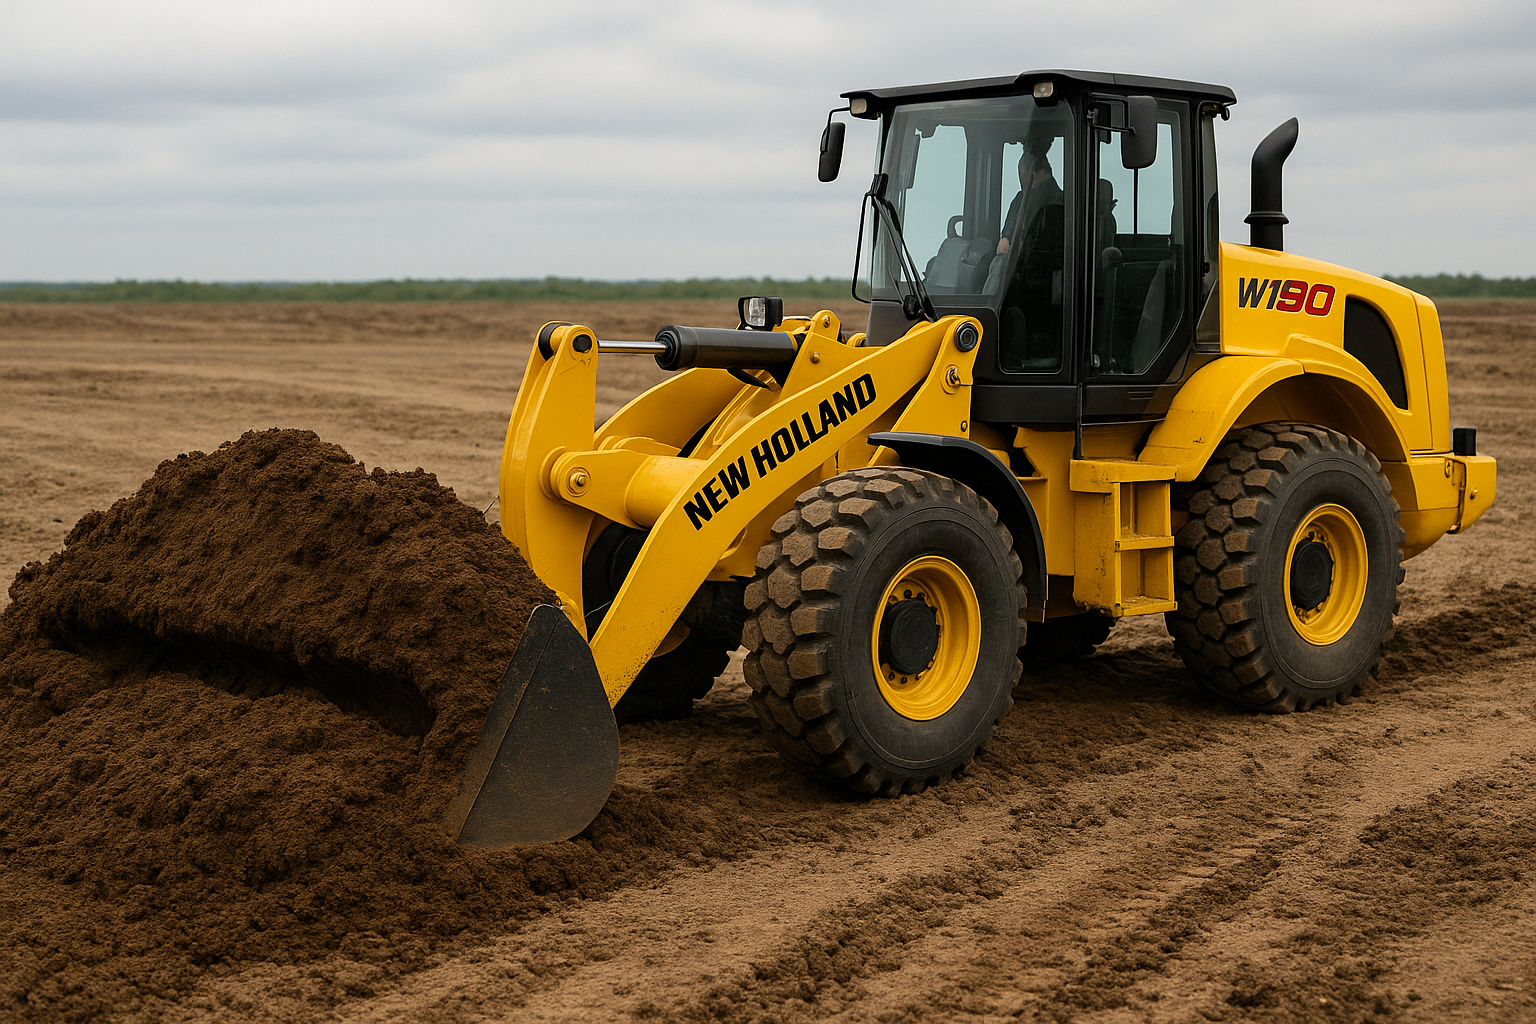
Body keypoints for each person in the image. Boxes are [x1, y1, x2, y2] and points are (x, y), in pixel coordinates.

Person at [996, 144, 1062, 257]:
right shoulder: (1021, 200)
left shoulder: (1055, 205)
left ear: (1034, 172)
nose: (1022, 180)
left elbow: (1003, 248)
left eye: (1022, 173)